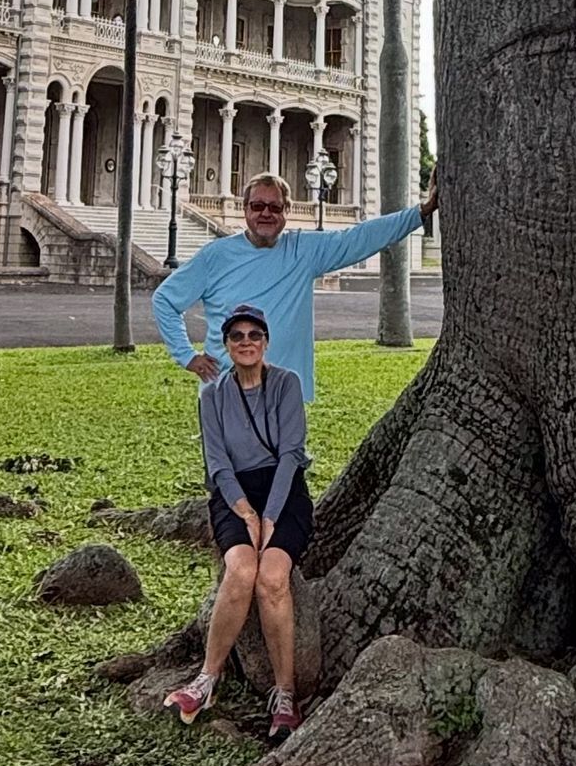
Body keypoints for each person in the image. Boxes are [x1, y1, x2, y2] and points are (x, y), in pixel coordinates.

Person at [152, 170, 441, 402]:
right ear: (245, 210)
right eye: (258, 206)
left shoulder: (303, 250)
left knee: (286, 473)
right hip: (226, 395)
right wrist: (187, 356)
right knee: (225, 475)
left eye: (275, 207)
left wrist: (422, 211)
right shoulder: (215, 256)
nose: (266, 213)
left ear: (287, 210)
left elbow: (360, 238)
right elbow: (165, 300)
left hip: (284, 396)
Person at [164, 302, 311, 737]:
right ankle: (207, 678)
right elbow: (218, 463)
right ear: (226, 345)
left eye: (254, 336)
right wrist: (245, 512)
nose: (246, 343)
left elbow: (290, 456)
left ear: (265, 342)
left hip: (284, 491)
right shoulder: (212, 395)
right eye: (237, 337)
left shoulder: (286, 384)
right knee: (242, 569)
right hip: (234, 494)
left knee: (271, 577)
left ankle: (285, 693)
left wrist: (269, 517)